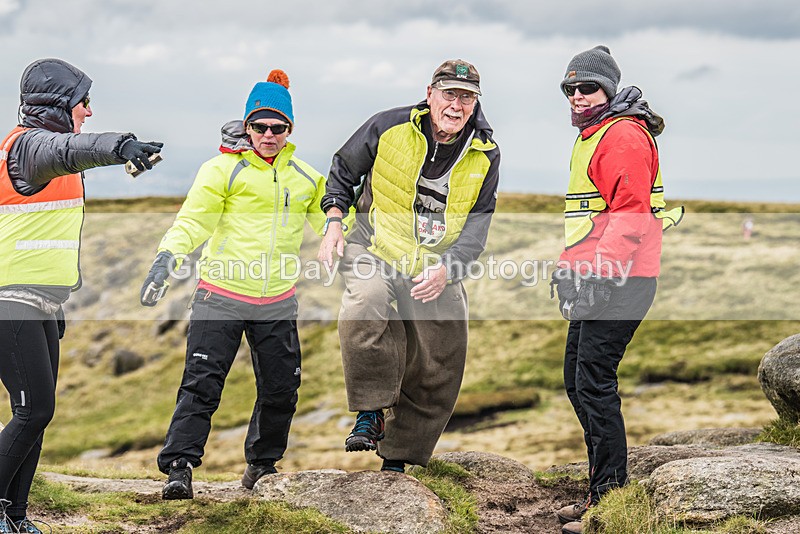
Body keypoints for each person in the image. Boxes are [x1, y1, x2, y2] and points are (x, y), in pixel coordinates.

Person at [142, 69, 333, 499]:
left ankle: (262, 468)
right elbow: (193, 220)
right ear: (247, 127)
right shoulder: (221, 170)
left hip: (277, 302)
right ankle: (179, 468)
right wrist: (166, 258)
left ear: (290, 130)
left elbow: (335, 222)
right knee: (202, 385)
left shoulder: (305, 177)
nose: (268, 134)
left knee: (282, 389)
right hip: (221, 296)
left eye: (277, 127)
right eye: (259, 126)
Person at [0, 58, 162, 533]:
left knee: (36, 416)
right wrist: (122, 146)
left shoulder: (44, 155)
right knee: (34, 410)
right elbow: (72, 149)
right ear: (57, 106)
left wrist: (61, 295)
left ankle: (15, 515)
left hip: (41, 303)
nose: (88, 111)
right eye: (82, 101)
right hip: (11, 301)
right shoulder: (30, 148)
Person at [318, 59, 500, 473]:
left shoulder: (487, 153)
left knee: (444, 350)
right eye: (449, 94)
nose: (456, 105)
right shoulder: (387, 126)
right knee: (366, 304)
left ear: (476, 103)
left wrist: (448, 269)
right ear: (431, 93)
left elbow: (477, 227)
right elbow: (343, 171)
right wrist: (333, 222)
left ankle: (398, 456)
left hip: (433, 263)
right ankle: (371, 412)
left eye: (466, 97)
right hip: (374, 246)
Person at [550, 46, 682, 534]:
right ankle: (600, 490)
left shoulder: (622, 135)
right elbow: (592, 216)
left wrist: (600, 273)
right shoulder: (596, 133)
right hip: (600, 277)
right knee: (577, 379)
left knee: (594, 382)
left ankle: (609, 498)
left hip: (621, 281)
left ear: (608, 89)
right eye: (571, 89)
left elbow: (628, 215)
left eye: (588, 88)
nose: (578, 96)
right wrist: (571, 266)